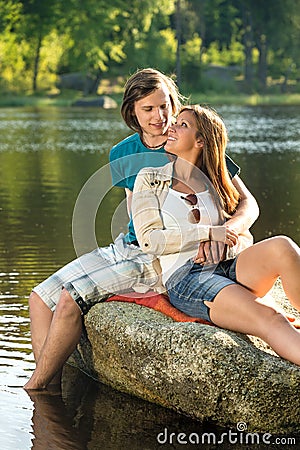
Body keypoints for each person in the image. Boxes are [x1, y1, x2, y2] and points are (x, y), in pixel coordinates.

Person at [24, 69, 259, 390]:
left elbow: (248, 203)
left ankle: (36, 390)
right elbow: (135, 214)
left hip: (167, 251)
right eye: (148, 109)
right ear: (132, 112)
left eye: (165, 106)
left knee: (69, 300)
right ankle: (48, 389)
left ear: (175, 104)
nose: (160, 117)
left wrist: (225, 230)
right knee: (39, 299)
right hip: (133, 244)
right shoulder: (123, 153)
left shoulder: (192, 142)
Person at [131, 104, 300, 366]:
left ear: (200, 141)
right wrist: (207, 233)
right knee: (271, 318)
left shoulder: (216, 181)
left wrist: (225, 242)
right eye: (175, 122)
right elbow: (149, 240)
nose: (171, 126)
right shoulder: (150, 179)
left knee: (284, 247)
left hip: (229, 264)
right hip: (188, 277)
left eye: (182, 124)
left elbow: (243, 231)